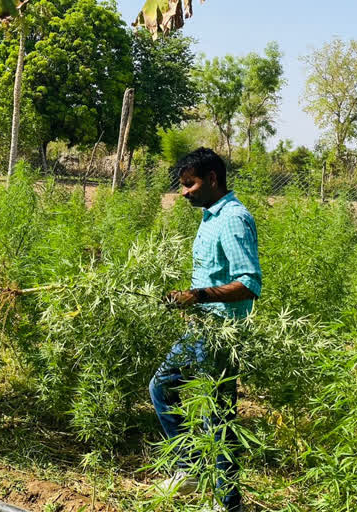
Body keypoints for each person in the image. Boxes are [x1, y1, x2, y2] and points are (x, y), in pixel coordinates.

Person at [150, 148, 261, 512]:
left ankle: (228, 504)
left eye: (190, 184)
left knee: (219, 417)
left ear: (212, 179)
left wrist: (196, 296)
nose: (184, 192)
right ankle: (190, 468)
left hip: (221, 333)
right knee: (162, 387)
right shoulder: (210, 215)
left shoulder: (232, 219)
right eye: (183, 185)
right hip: (201, 327)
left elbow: (249, 283)